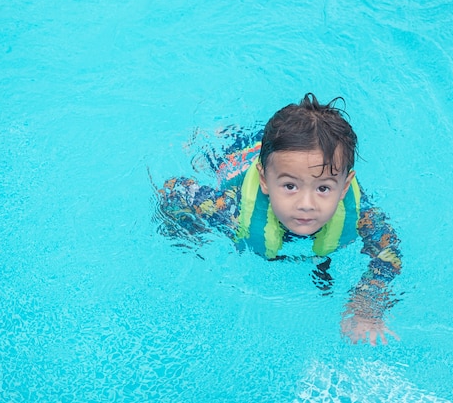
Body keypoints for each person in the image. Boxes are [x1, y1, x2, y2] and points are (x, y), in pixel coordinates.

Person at [154, 93, 402, 345]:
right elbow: (175, 190)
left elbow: (389, 252)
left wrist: (367, 303)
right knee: (212, 149)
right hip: (237, 153)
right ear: (264, 181)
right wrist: (186, 232)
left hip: (278, 157)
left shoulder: (362, 216)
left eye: (323, 188)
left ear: (345, 186)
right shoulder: (230, 211)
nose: (306, 205)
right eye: (290, 187)